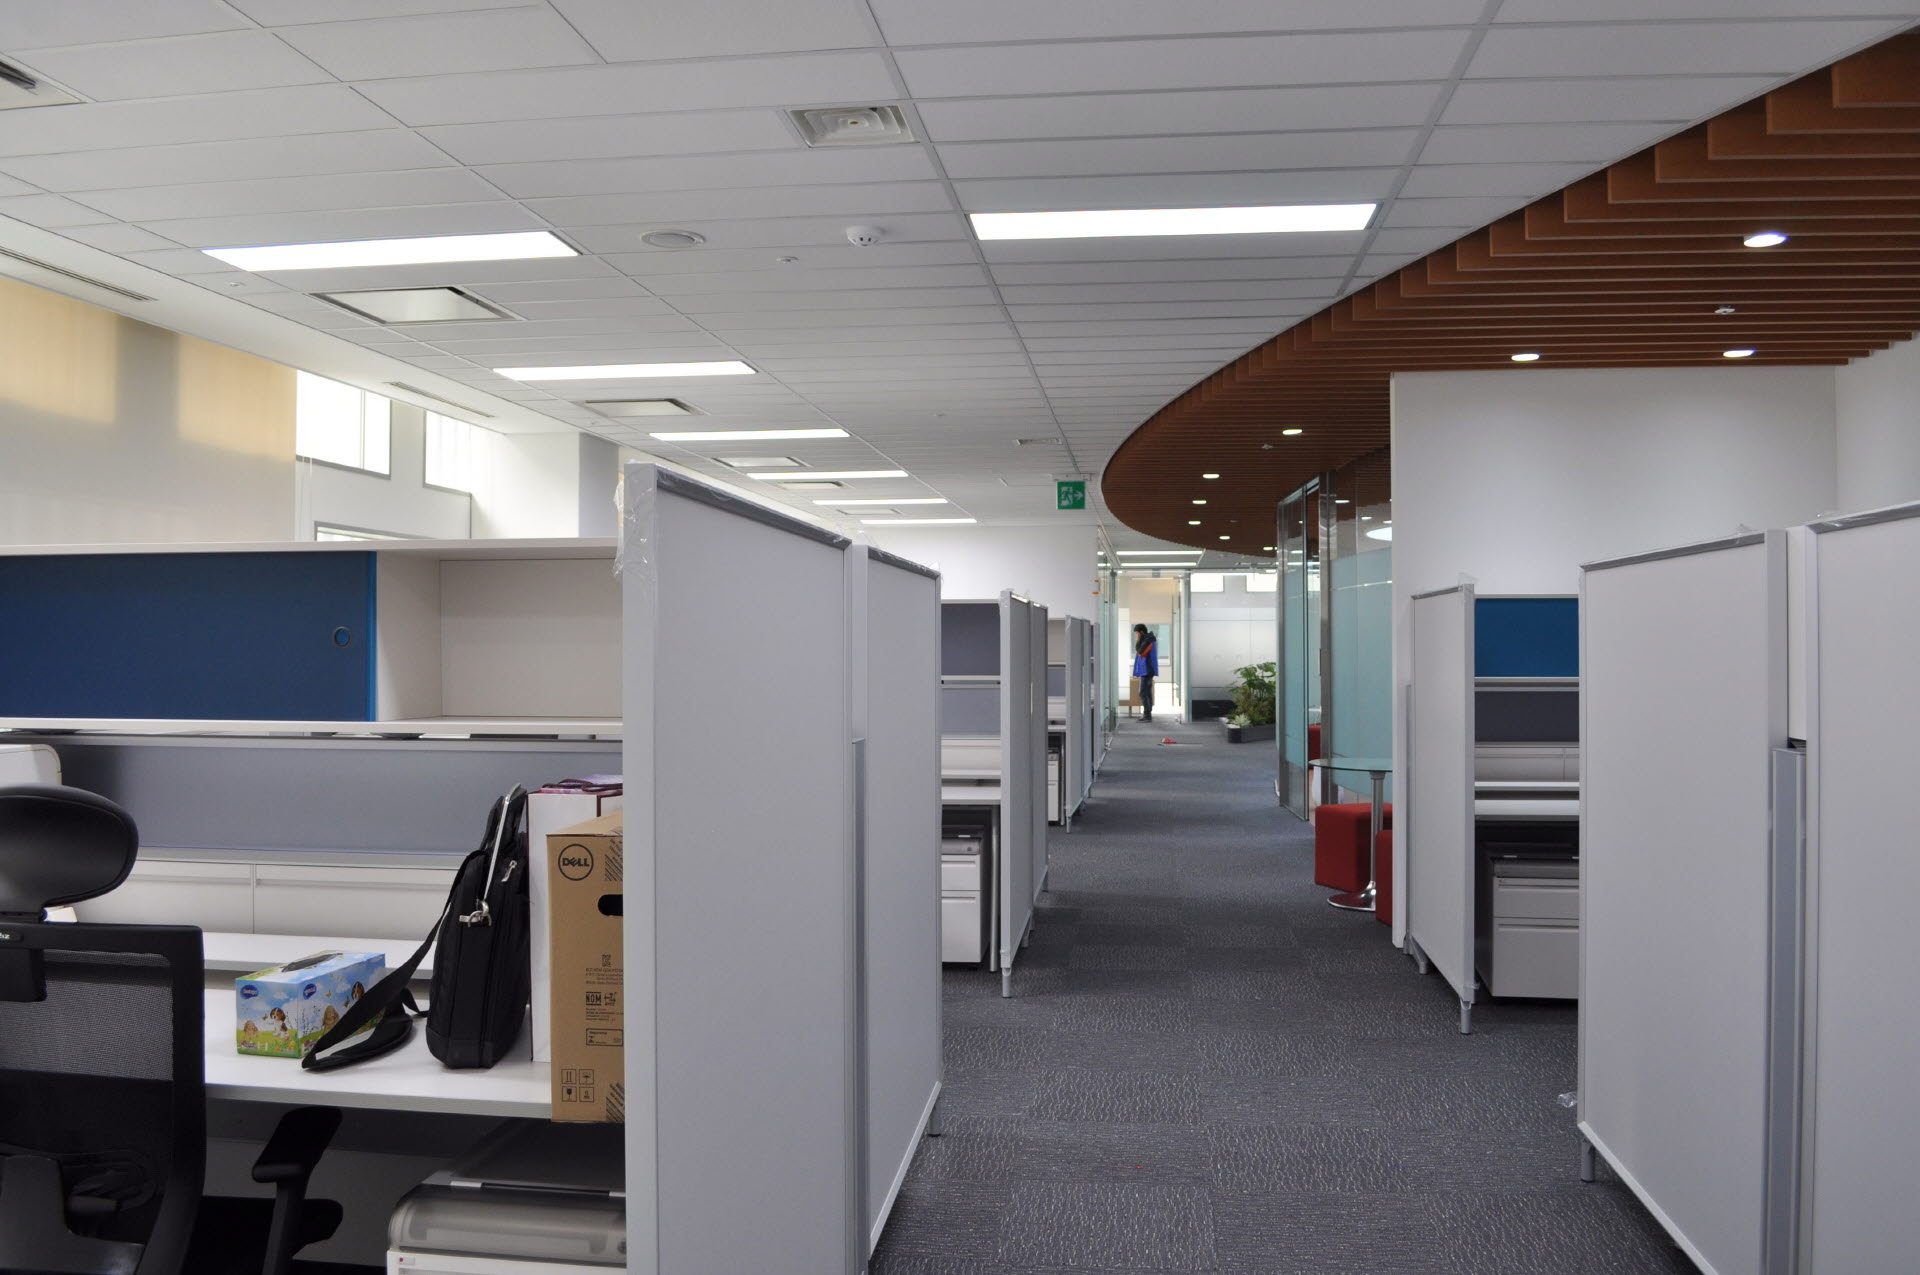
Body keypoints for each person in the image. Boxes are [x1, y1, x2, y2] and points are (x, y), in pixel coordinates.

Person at [1132, 623, 1159, 722]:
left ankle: (1147, 715)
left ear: (1141, 632)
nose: (1137, 635)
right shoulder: (1148, 639)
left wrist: (1138, 640)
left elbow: (1140, 651)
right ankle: (1148, 714)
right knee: (1147, 692)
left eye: (1137, 633)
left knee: (1142, 693)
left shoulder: (1147, 640)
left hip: (1147, 670)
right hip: (1147, 670)